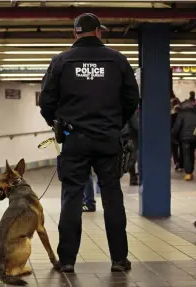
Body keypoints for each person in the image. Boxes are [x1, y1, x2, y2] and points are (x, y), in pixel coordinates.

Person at [39, 13, 139, 273]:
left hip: (75, 140)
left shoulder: (60, 61)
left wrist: (58, 123)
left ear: (75, 33)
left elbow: (46, 102)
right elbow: (132, 99)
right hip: (108, 139)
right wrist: (115, 124)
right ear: (98, 32)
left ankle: (68, 260)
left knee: (71, 197)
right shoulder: (117, 60)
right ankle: (119, 259)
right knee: (112, 196)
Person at [172, 100, 196, 181]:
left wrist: (173, 136)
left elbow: (177, 126)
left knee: (186, 155)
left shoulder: (181, 113)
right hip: (194, 136)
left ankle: (188, 173)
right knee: (191, 154)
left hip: (185, 138)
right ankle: (191, 171)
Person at [121, 110, 139, 186]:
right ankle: (133, 178)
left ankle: (132, 176)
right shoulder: (130, 109)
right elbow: (136, 125)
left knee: (127, 156)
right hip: (130, 136)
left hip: (120, 136)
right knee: (132, 157)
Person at [171, 92, 183, 171]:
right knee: (181, 149)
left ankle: (177, 163)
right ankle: (180, 163)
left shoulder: (171, 115)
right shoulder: (182, 115)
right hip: (181, 134)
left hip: (174, 134)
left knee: (174, 150)